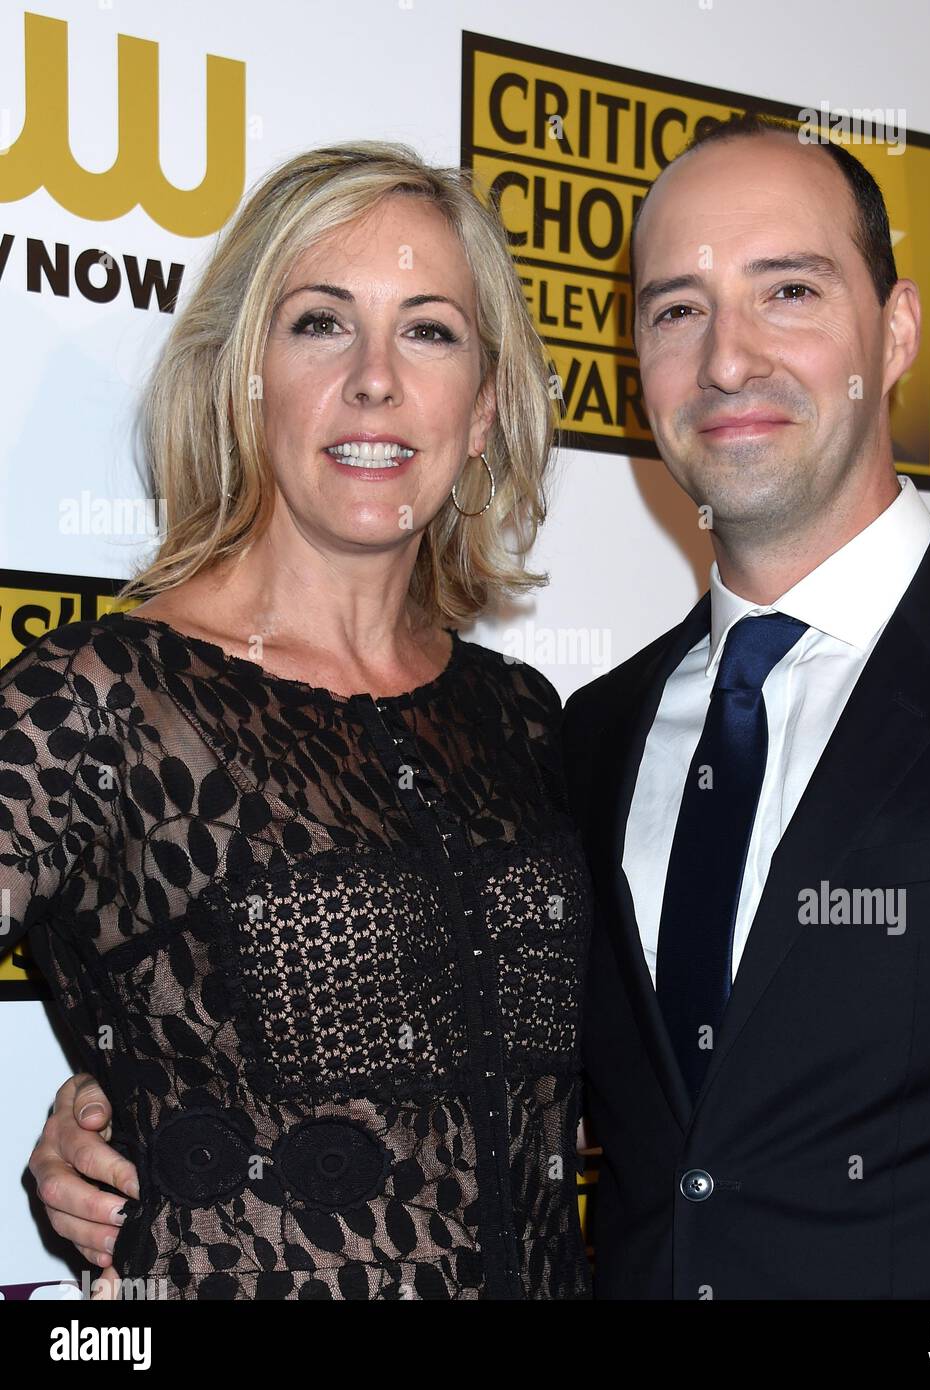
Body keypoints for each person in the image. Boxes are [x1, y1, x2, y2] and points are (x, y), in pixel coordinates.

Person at [4, 140, 592, 1300]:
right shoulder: (105, 695)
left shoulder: (522, 720)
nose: (375, 378)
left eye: (429, 330)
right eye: (321, 322)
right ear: (246, 378)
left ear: (480, 410)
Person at [562, 112, 930, 1298]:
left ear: (898, 328)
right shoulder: (590, 733)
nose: (726, 360)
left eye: (790, 292)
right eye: (676, 310)